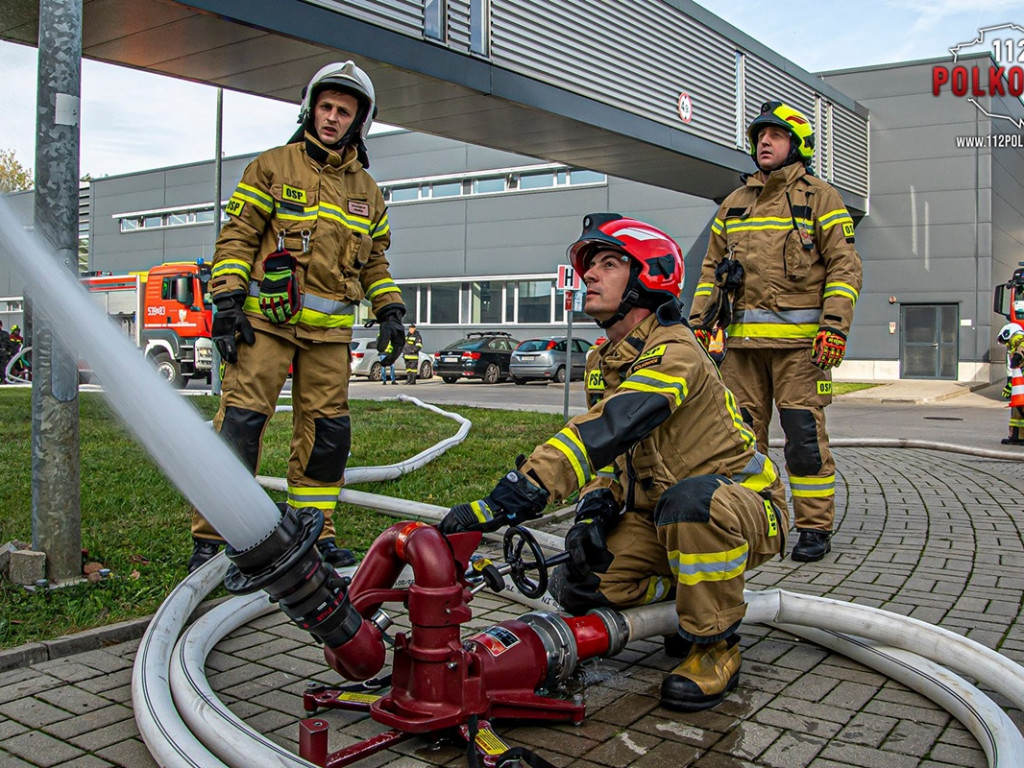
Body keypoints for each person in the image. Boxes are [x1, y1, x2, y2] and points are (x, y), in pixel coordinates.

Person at [440, 214, 789, 712]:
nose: (590, 276)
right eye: (588, 267)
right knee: (584, 583)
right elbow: (610, 458)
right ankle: (682, 594)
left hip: (741, 509)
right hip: (659, 516)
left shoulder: (676, 350)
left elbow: (615, 425)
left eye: (608, 264)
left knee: (690, 504)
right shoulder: (605, 360)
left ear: (648, 276)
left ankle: (715, 645)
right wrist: (592, 508)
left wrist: (522, 489)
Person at [189, 61, 406, 572]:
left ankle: (314, 531)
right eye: (326, 107)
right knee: (241, 424)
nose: (332, 118)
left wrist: (390, 309)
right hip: (266, 323)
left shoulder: (369, 193)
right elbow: (239, 235)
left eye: (343, 112)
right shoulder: (272, 166)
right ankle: (213, 537)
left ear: (359, 122)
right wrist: (226, 300)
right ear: (311, 108)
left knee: (328, 435)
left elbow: (374, 260)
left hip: (329, 337)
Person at [688, 100, 862, 564]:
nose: (763, 141)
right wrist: (700, 325)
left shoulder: (819, 197)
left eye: (775, 135)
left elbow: (845, 267)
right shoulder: (734, 203)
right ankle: (754, 521)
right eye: (759, 135)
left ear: (796, 144)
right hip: (742, 350)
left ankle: (813, 527)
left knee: (804, 439)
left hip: (801, 351)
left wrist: (834, 327)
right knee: (741, 440)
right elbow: (710, 272)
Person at [998, 322, 1024, 445]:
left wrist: (1018, 357)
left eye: (1005, 341)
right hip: (1019, 387)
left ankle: (1017, 436)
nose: (1006, 345)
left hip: (1021, 386)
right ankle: (1016, 436)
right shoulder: (1015, 344)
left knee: (1020, 410)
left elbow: (1020, 357)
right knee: (1017, 412)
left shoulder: (1018, 339)